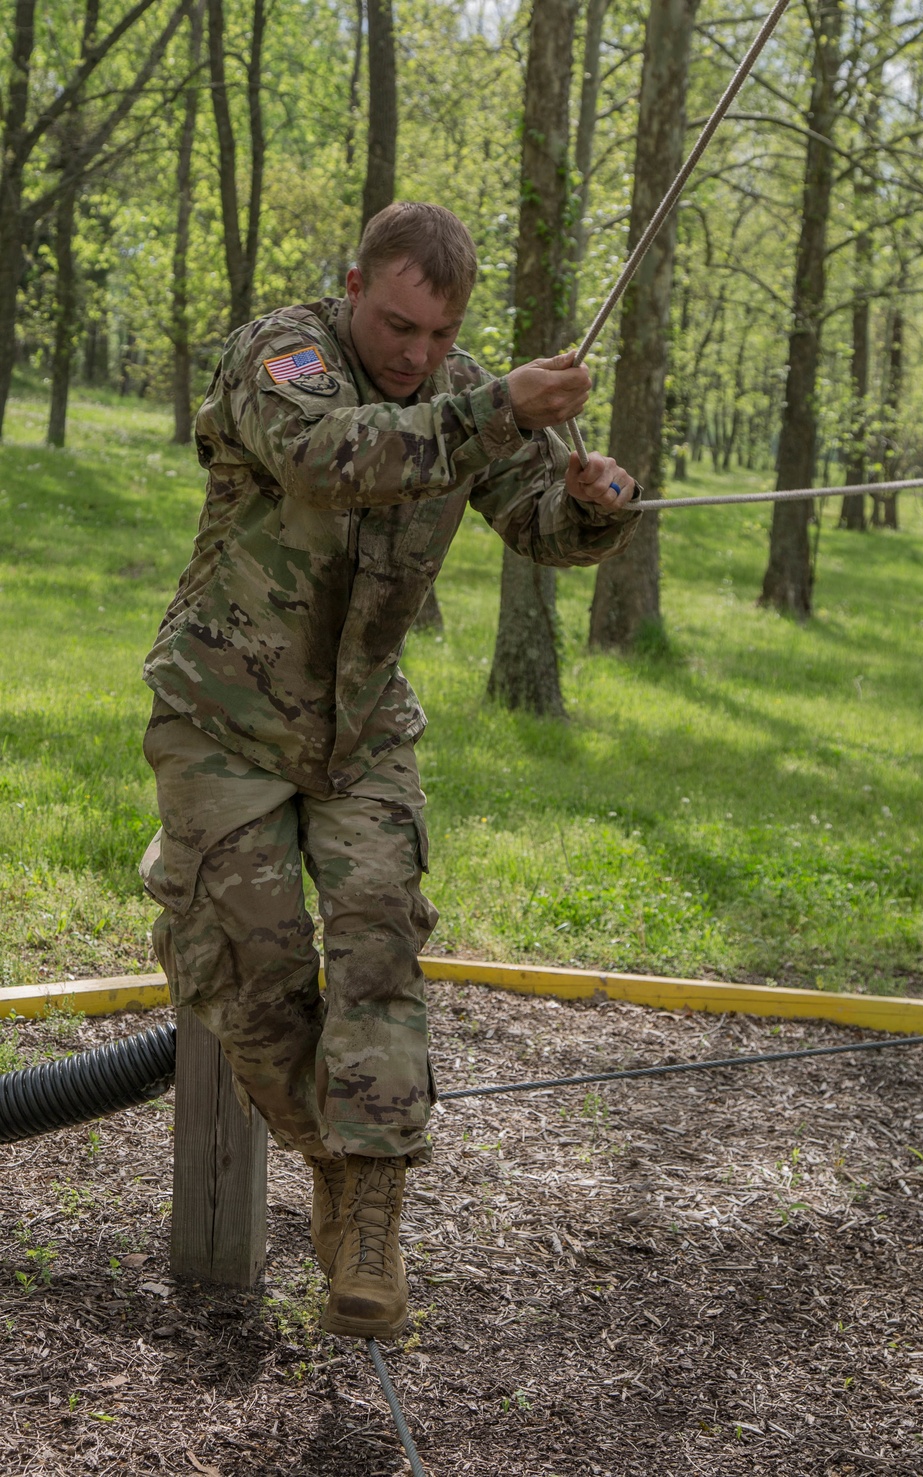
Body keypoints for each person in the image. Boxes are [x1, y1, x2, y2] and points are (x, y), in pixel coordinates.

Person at [139, 201, 640, 1340]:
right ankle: (333, 1148)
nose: (417, 354)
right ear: (357, 282)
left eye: (439, 333)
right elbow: (328, 463)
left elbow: (536, 524)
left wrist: (595, 505)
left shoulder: (459, 391)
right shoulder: (286, 353)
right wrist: (496, 406)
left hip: (362, 726)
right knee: (248, 965)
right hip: (223, 715)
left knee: (376, 931)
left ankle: (369, 1213)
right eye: (401, 324)